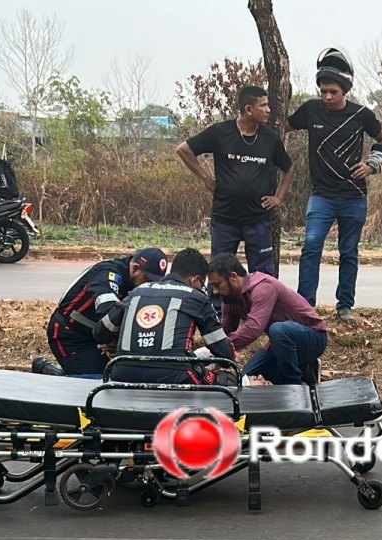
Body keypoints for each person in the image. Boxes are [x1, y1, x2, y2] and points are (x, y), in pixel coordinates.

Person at [286, 47, 382, 324]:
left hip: (353, 196)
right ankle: (305, 306)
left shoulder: (362, 114)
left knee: (349, 252)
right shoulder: (310, 110)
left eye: (333, 92)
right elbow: (281, 126)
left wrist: (372, 164)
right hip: (321, 195)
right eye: (323, 91)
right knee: (311, 246)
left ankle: (345, 306)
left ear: (345, 89)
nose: (327, 97)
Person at [175, 86, 294, 283]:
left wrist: (279, 198)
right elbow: (183, 150)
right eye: (263, 105)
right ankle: (218, 304)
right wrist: (206, 179)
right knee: (219, 272)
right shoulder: (220, 132)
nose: (268, 110)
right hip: (225, 218)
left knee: (263, 278)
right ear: (249, 109)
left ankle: (259, 303)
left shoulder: (270, 138)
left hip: (257, 219)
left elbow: (288, 168)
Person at [92, 248, 235, 385]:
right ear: (195, 280)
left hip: (123, 374)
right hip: (176, 377)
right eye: (202, 285)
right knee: (229, 380)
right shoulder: (197, 298)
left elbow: (100, 333)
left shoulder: (135, 293)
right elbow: (225, 354)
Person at [34, 248, 169, 378]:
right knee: (96, 381)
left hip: (95, 334)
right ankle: (50, 375)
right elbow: (108, 310)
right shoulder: (107, 275)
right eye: (147, 279)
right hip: (70, 335)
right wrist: (114, 340)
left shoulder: (134, 280)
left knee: (118, 374)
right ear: (135, 268)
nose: (149, 285)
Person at [207, 253, 329, 386]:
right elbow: (224, 331)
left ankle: (293, 386)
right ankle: (306, 370)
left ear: (233, 277)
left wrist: (224, 348)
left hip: (313, 337)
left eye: (217, 285)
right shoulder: (230, 299)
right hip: (280, 342)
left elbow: (253, 329)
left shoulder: (263, 287)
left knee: (278, 330)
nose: (215, 292)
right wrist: (212, 351)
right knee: (245, 378)